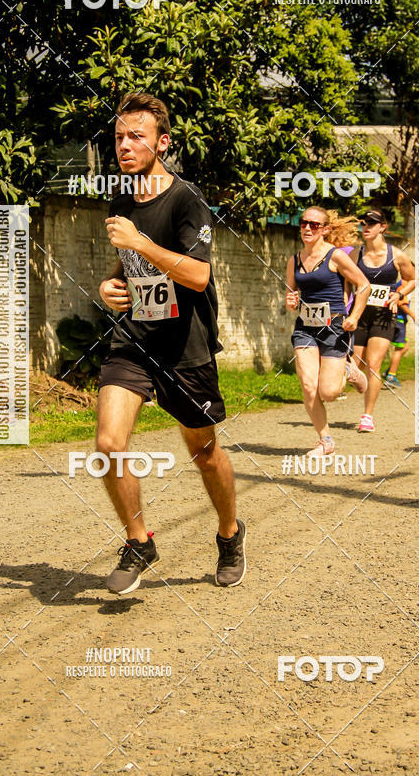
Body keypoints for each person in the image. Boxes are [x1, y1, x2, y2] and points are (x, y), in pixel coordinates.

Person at [96, 92, 246, 594]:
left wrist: (140, 243)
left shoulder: (187, 199)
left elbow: (199, 276)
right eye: (118, 136)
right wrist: (108, 286)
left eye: (135, 135)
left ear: (162, 142)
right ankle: (139, 540)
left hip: (186, 348)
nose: (124, 145)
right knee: (109, 445)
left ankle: (229, 532)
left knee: (203, 451)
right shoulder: (121, 199)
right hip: (135, 340)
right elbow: (130, 269)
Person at [285, 207, 371, 456]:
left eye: (314, 224)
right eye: (303, 223)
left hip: (334, 327)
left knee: (329, 392)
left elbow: (363, 285)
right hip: (305, 328)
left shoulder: (335, 257)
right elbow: (291, 295)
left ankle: (348, 369)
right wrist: (290, 302)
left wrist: (354, 316)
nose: (307, 228)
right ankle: (325, 441)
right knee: (309, 385)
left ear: (325, 229)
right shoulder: (295, 260)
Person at [350, 208, 416, 433]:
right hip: (359, 315)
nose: (365, 227)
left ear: (382, 227)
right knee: (353, 364)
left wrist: (399, 294)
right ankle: (352, 385)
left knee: (374, 364)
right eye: (363, 223)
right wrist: (345, 305)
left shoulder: (396, 255)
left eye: (371, 223)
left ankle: (367, 416)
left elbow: (412, 279)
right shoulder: (355, 255)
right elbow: (344, 279)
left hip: (384, 315)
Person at [382, 290, 415, 388]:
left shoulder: (405, 285)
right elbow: (400, 302)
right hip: (398, 319)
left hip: (398, 319)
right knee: (400, 349)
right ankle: (391, 378)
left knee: (405, 346)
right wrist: (413, 315)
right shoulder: (404, 286)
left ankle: (388, 372)